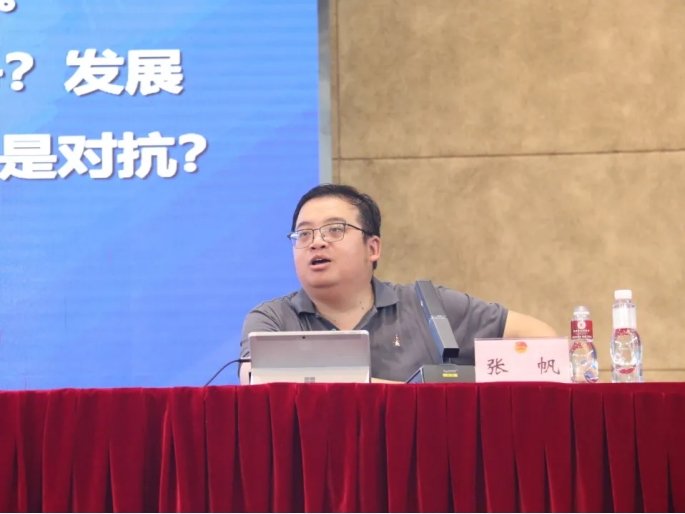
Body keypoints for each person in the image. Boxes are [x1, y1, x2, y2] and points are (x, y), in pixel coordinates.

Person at [238, 184, 556, 384]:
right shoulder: (272, 319)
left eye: (335, 230)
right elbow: (254, 382)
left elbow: (541, 339)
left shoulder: (430, 307)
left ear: (373, 248)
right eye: (304, 234)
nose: (316, 242)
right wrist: (414, 396)